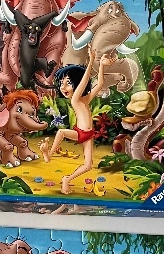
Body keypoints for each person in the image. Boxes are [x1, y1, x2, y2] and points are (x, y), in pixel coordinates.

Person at [39, 50, 114, 195]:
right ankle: (49, 154)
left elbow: (99, 84)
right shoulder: (75, 100)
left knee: (88, 166)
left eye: (68, 83)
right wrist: (91, 61)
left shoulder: (85, 99)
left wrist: (101, 65)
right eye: (62, 83)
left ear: (77, 83)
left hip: (89, 134)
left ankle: (67, 179)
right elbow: (84, 83)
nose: (63, 87)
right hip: (80, 133)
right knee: (61, 132)